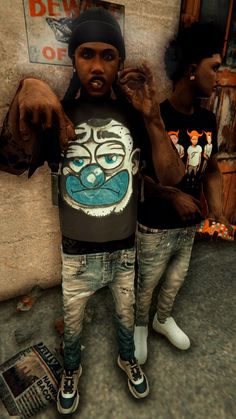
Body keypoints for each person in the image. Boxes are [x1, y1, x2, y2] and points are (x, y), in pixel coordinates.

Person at [0, 8, 184, 414]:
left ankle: (127, 359)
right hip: (75, 255)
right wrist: (25, 90)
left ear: (119, 61)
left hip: (124, 251)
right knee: (73, 322)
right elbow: (11, 161)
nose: (97, 66)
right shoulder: (56, 114)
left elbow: (171, 176)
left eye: (107, 55)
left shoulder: (136, 115)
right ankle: (71, 369)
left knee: (124, 315)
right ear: (73, 58)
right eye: (87, 54)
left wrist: (153, 119)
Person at [134, 22, 230, 364]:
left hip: (188, 227)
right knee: (147, 283)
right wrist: (170, 195)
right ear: (192, 70)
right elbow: (138, 177)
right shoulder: (155, 116)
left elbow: (213, 168)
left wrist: (218, 210)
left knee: (175, 279)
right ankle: (140, 325)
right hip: (155, 227)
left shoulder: (206, 119)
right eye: (215, 68)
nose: (220, 75)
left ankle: (162, 320)